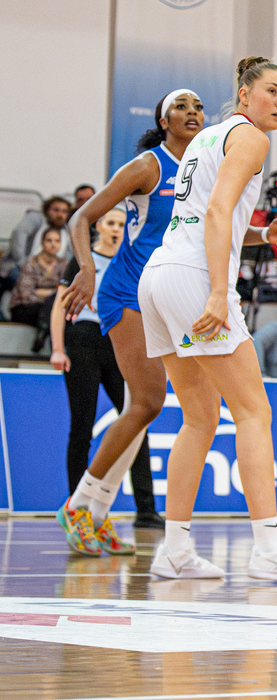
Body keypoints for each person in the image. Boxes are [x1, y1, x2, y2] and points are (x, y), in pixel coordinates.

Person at [136, 56, 277, 581]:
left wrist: (262, 235)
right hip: (195, 278)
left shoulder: (205, 138)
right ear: (244, 94)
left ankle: (174, 551)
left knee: (199, 417)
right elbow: (217, 211)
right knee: (254, 412)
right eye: (272, 91)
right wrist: (219, 293)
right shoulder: (252, 139)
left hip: (160, 276)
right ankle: (268, 548)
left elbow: (202, 215)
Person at [57, 89, 203, 550]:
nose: (193, 112)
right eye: (181, 106)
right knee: (146, 402)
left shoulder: (204, 172)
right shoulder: (148, 166)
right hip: (126, 291)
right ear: (163, 121)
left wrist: (266, 233)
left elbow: (224, 231)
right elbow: (81, 218)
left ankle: (98, 511)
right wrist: (85, 268)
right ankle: (79, 505)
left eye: (198, 106)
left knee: (145, 407)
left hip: (166, 297)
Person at [48, 207, 155, 554]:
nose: (116, 229)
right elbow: (60, 305)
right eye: (111, 223)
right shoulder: (84, 261)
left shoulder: (129, 260)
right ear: (100, 227)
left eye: (122, 224)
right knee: (82, 427)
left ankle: (142, 510)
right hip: (83, 341)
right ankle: (77, 509)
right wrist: (58, 348)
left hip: (118, 341)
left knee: (137, 419)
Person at [10, 227, 67, 337]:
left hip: (51, 306)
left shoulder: (63, 264)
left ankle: (44, 337)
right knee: (47, 312)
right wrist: (53, 295)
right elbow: (26, 294)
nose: (53, 244)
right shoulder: (31, 263)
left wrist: (44, 293)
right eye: (49, 240)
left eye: (57, 241)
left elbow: (65, 291)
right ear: (42, 242)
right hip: (24, 306)